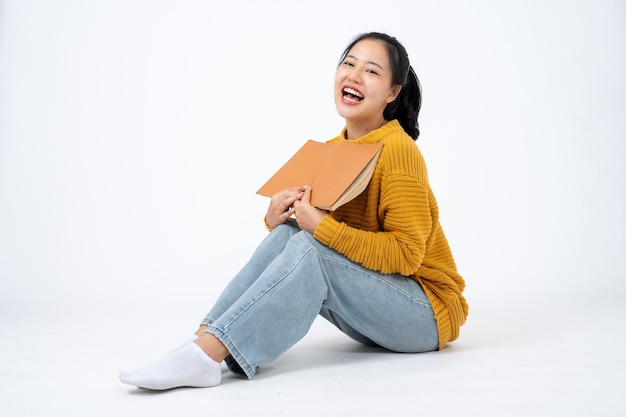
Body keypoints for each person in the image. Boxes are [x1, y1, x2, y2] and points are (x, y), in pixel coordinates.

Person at [119, 32, 468, 390]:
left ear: (393, 92)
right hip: (373, 308)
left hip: (426, 314)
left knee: (310, 247)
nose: (353, 75)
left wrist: (321, 228)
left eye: (371, 71)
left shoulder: (398, 150)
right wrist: (276, 220)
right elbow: (316, 241)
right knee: (290, 235)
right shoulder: (334, 150)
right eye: (348, 64)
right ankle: (201, 342)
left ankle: (206, 357)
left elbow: (407, 256)